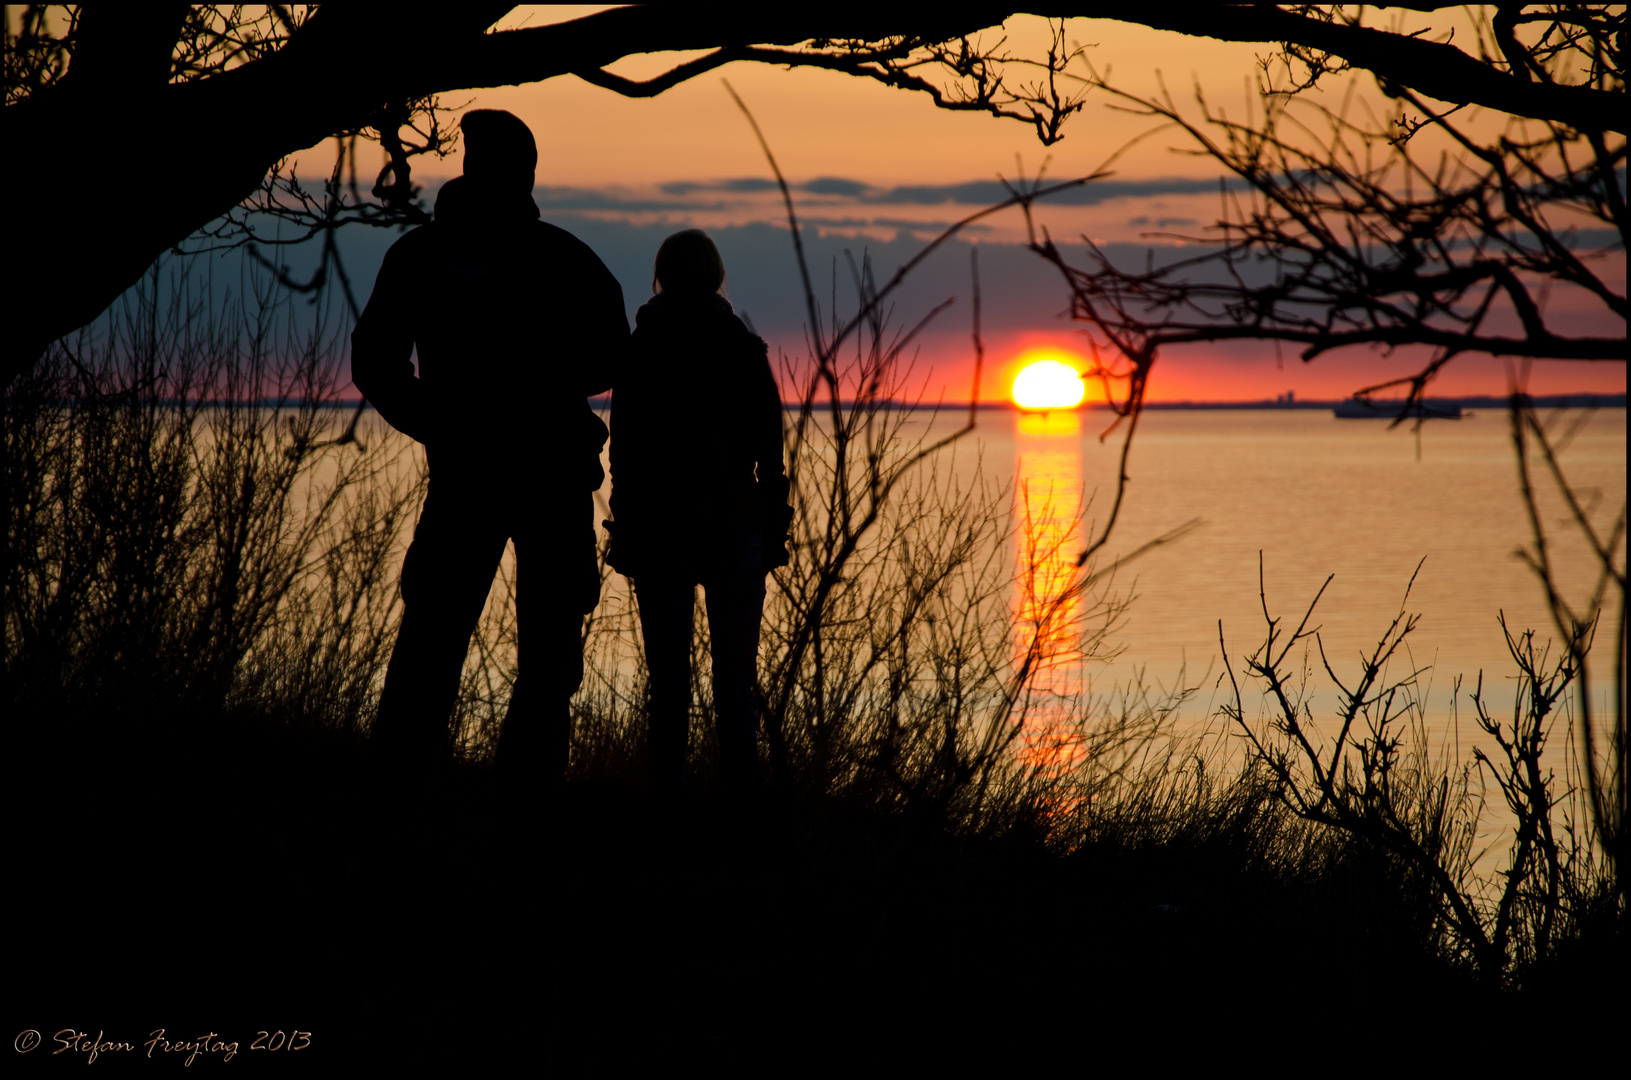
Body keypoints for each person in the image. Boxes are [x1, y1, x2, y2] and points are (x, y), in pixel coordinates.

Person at [351, 108, 629, 782]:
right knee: (436, 647)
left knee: (539, 656)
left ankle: (510, 806)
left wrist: (524, 393)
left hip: (548, 477)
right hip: (482, 475)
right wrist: (441, 420)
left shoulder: (559, 259)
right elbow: (377, 359)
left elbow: (612, 356)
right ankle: (401, 793)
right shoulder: (430, 254)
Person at [606, 229, 791, 794]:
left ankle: (667, 806)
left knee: (669, 683)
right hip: (736, 528)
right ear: (715, 276)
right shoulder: (742, 346)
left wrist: (624, 524)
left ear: (661, 275)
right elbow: (773, 452)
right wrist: (773, 527)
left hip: (659, 529)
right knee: (735, 678)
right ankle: (745, 807)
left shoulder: (641, 349)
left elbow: (625, 449)